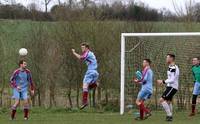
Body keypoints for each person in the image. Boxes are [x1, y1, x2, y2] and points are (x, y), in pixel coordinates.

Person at [72, 42, 99, 109]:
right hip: (95, 73)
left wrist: (74, 53)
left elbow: (81, 58)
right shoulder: (91, 53)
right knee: (86, 88)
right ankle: (95, 84)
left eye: (83, 48)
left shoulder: (88, 53)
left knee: (84, 86)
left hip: (90, 72)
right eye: (81, 48)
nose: (82, 49)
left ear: (87, 48)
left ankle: (84, 102)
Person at [157, 54, 179, 122]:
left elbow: (172, 80)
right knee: (168, 102)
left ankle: (169, 115)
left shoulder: (173, 68)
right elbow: (170, 78)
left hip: (172, 87)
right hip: (170, 86)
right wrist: (165, 82)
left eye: (167, 58)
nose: (166, 59)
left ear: (171, 59)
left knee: (161, 100)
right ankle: (170, 116)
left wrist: (163, 81)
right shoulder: (170, 66)